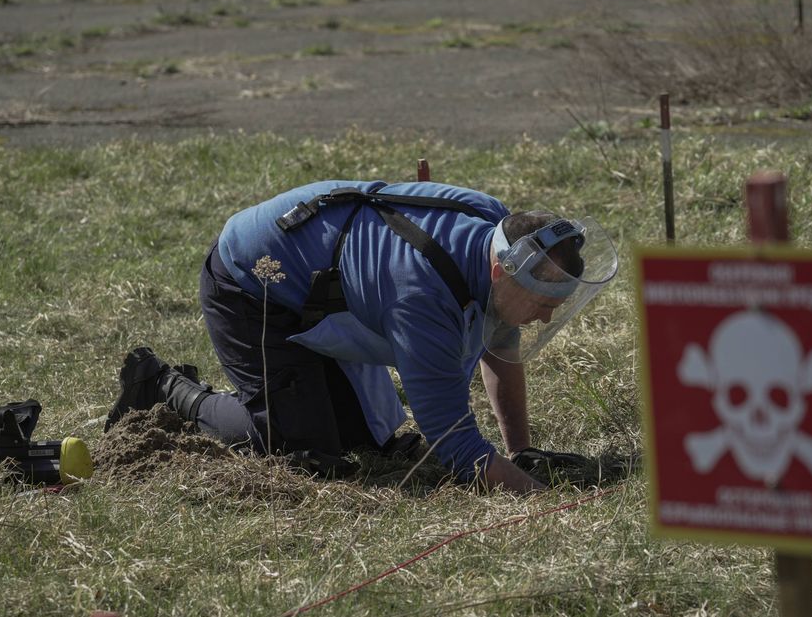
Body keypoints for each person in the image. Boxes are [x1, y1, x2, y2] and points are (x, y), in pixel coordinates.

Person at [106, 179, 618, 493]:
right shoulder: (422, 296)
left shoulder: (495, 232)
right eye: (545, 306)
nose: (547, 321)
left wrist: (521, 451)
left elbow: (501, 338)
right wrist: (538, 494)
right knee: (300, 449)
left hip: (323, 286)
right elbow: (456, 446)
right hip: (250, 284)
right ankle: (166, 388)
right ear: (503, 272)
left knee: (365, 440)